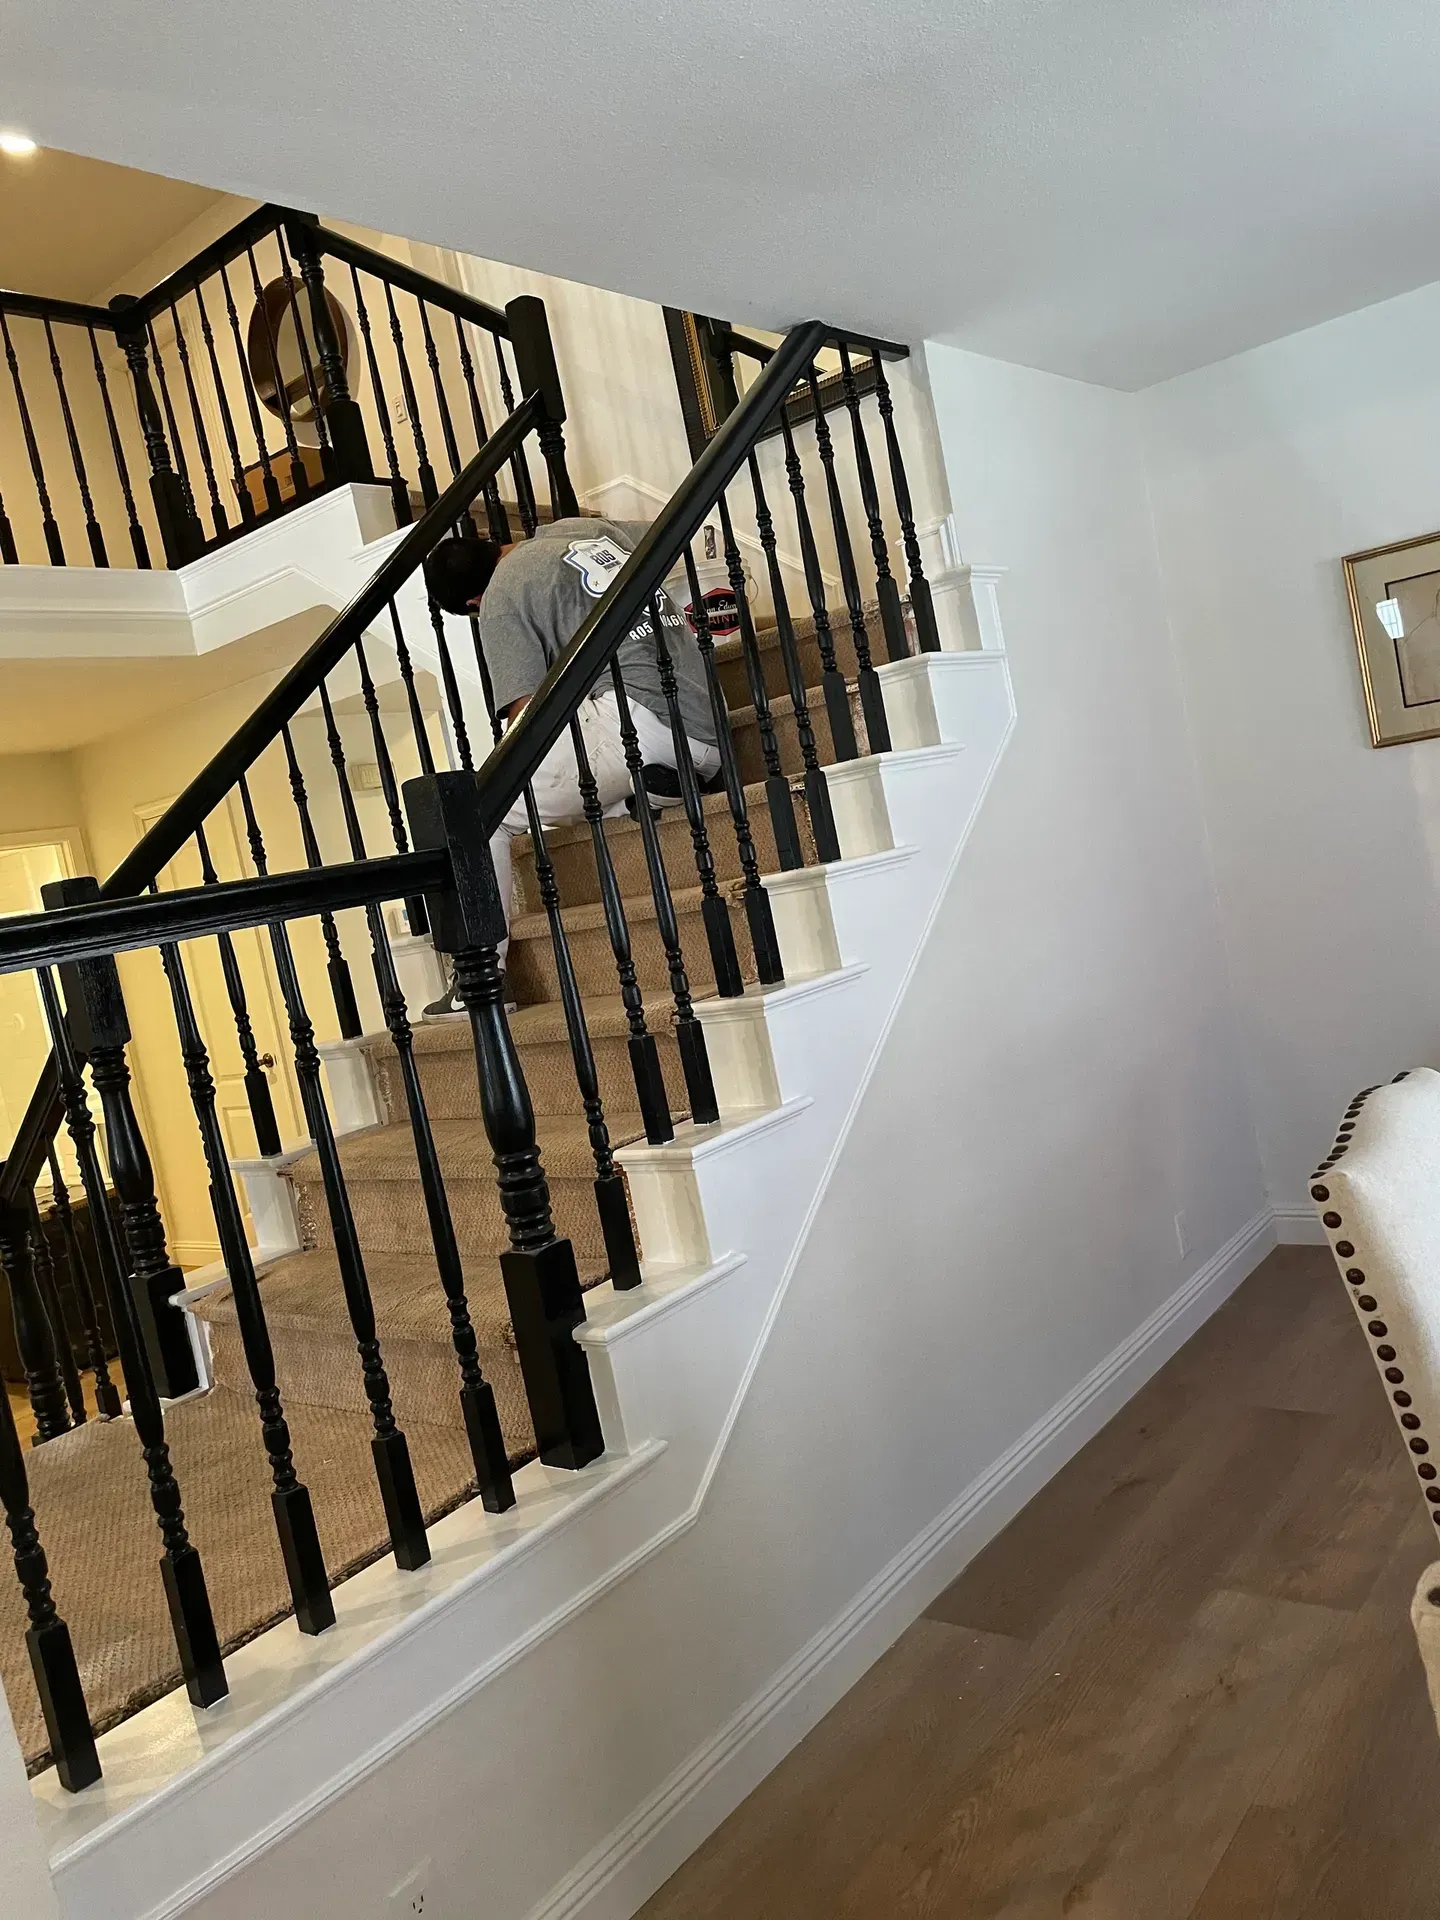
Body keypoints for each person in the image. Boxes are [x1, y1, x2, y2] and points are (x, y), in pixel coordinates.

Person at [420, 518, 722, 1015]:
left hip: (640, 721)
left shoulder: (502, 592)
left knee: (476, 812)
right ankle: (649, 792)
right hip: (704, 717)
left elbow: (527, 720)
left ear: (471, 604)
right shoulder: (581, 528)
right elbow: (660, 530)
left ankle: (479, 975)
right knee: (578, 757)